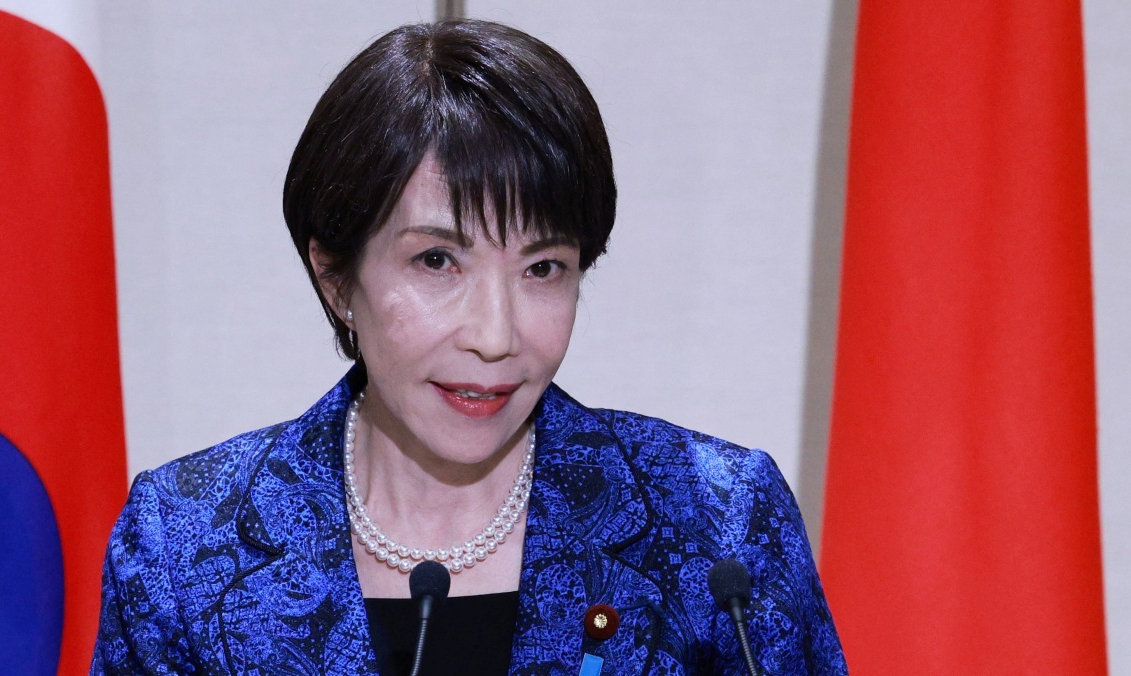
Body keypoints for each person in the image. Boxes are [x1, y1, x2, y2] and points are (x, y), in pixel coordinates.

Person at [92, 19, 846, 675]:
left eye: (542, 268)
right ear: (335, 277)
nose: (495, 336)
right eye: (437, 261)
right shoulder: (187, 546)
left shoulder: (716, 523)